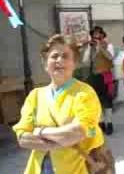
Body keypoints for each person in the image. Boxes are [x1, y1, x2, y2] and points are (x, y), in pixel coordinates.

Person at [12, 34, 106, 173]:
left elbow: (78, 132)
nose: (59, 60)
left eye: (65, 56)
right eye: (54, 56)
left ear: (74, 63)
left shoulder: (84, 93)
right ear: (45, 64)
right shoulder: (35, 96)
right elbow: (23, 138)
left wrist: (40, 131)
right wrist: (62, 139)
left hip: (75, 168)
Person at [82, 26, 115, 135]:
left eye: (98, 33)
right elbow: (85, 61)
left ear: (102, 35)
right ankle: (101, 123)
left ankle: (109, 123)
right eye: (94, 34)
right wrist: (88, 48)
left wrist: (100, 47)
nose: (96, 36)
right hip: (95, 76)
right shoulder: (91, 47)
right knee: (97, 101)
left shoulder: (108, 45)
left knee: (108, 101)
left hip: (106, 76)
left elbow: (110, 57)